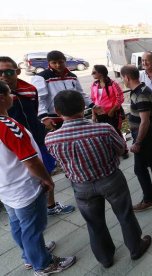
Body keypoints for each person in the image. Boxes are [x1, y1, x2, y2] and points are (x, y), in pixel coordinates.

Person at [45, 90, 151, 267]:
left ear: (57, 111)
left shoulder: (51, 138)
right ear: (83, 106)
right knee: (125, 215)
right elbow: (121, 149)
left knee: (94, 224)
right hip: (110, 179)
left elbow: (60, 161)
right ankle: (136, 248)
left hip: (81, 186)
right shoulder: (104, 128)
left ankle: (106, 259)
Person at [0, 80, 76, 275]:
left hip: (5, 187)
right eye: (9, 94)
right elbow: (31, 161)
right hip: (23, 187)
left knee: (18, 225)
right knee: (32, 228)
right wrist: (47, 180)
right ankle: (43, 264)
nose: (13, 97)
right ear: (2, 99)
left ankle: (30, 255)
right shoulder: (7, 126)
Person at [0, 56, 75, 216]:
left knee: (45, 172)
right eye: (0, 72)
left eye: (8, 71)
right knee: (24, 180)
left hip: (36, 138)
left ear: (18, 71)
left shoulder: (30, 89)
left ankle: (50, 206)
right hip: (12, 145)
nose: (3, 75)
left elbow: (34, 111)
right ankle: (31, 214)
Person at [121, 65, 152, 212]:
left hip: (143, 134)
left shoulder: (140, 95)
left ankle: (149, 200)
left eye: (123, 78)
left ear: (127, 77)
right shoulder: (143, 89)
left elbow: (144, 121)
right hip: (149, 132)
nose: (123, 81)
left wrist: (137, 142)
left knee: (140, 169)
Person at [31, 50, 94, 130]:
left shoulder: (72, 76)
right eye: (54, 63)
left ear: (65, 61)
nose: (58, 65)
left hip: (74, 117)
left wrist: (93, 106)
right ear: (49, 63)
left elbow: (81, 94)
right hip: (53, 119)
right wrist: (44, 117)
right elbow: (39, 99)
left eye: (61, 62)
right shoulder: (41, 77)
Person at [90, 64, 128, 159]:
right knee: (104, 133)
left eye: (94, 72)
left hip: (112, 114)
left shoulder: (112, 84)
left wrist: (112, 110)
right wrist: (94, 114)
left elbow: (120, 98)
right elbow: (93, 100)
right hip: (100, 114)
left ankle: (124, 150)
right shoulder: (94, 85)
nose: (92, 74)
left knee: (116, 132)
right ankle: (113, 151)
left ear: (101, 73)